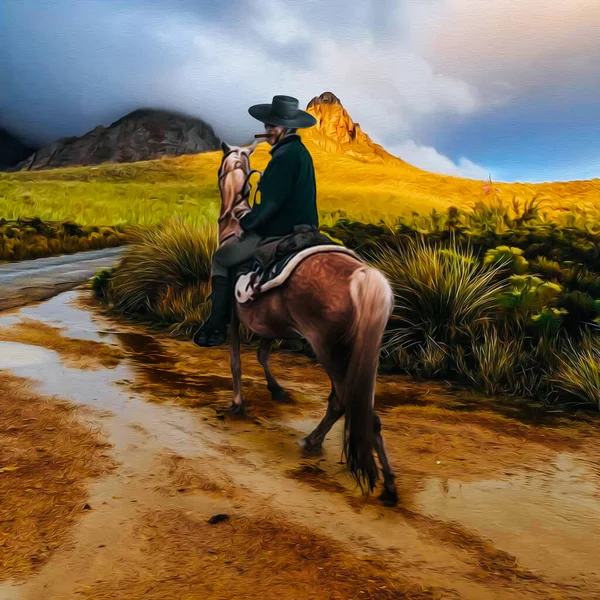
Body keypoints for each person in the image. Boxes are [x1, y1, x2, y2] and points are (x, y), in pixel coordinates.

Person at [193, 95, 319, 347]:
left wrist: (247, 223)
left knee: (222, 258)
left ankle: (217, 325)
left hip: (280, 232)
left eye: (271, 126)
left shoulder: (283, 158)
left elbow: (271, 206)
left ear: (286, 128)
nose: (267, 131)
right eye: (266, 126)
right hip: (307, 229)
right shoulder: (301, 153)